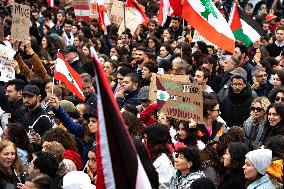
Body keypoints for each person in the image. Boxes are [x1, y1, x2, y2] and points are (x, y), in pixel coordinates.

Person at [143, 124, 174, 188]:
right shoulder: (156, 157)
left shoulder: (162, 161)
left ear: (153, 140)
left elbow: (164, 186)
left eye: (146, 138)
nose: (144, 141)